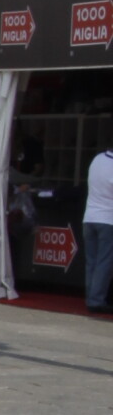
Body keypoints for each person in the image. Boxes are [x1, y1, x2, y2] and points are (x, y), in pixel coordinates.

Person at [86, 133, 113, 315]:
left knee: (92, 261)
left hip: (89, 217)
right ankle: (96, 300)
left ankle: (91, 297)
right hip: (108, 219)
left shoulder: (97, 159)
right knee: (104, 262)